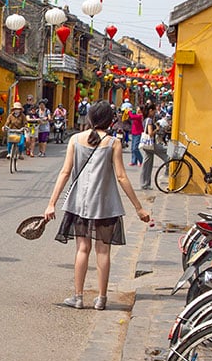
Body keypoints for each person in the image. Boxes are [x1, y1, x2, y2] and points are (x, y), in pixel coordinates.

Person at [44, 101, 151, 310]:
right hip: (105, 205)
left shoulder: (75, 139)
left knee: (82, 248)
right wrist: (138, 208)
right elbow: (121, 177)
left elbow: (65, 172)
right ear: (111, 120)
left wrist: (51, 204)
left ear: (90, 119)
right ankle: (101, 299)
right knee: (104, 251)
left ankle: (78, 297)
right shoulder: (113, 143)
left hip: (80, 204)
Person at [140, 103, 158, 191]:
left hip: (147, 145)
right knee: (165, 153)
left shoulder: (145, 119)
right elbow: (150, 133)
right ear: (151, 110)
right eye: (154, 111)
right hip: (150, 143)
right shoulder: (149, 120)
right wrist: (157, 129)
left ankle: (145, 183)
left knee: (147, 164)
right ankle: (145, 183)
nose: (155, 112)